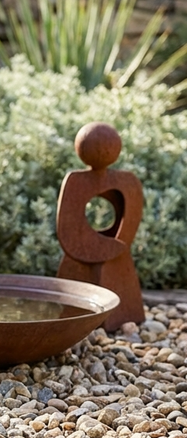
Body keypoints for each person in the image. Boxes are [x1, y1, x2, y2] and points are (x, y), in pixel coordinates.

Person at [56, 121, 144, 331]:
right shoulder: (77, 182)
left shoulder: (126, 182)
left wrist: (110, 245)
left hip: (114, 256)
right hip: (83, 255)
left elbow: (127, 229)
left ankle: (121, 314)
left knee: (115, 261)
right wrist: (111, 245)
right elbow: (70, 234)